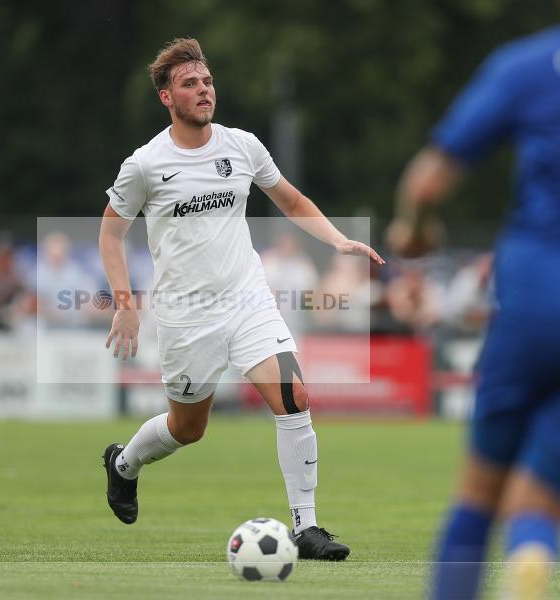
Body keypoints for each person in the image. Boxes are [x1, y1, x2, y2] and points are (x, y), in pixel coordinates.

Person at [386, 1, 560, 597]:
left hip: (538, 309)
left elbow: (427, 181)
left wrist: (417, 230)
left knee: (479, 496)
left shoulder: (529, 65)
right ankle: (531, 557)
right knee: (541, 504)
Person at [99, 38, 384, 561]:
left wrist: (337, 239)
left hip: (247, 300)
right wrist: (124, 301)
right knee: (188, 429)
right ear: (167, 97)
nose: (203, 90)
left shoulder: (242, 145)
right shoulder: (144, 165)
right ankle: (124, 464)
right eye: (189, 84)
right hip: (187, 315)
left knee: (294, 396)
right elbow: (110, 235)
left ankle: (306, 528)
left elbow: (292, 200)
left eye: (206, 81)